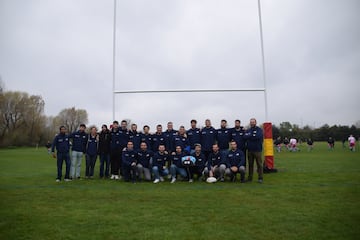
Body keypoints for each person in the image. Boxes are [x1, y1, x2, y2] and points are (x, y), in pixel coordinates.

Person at [244, 118, 264, 183]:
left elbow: (258, 136)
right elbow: (245, 137)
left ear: (256, 122)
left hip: (257, 150)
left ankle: (260, 178)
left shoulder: (259, 130)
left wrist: (250, 136)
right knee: (250, 165)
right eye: (251, 122)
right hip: (249, 150)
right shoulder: (248, 130)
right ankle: (250, 178)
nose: (252, 123)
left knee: (259, 165)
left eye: (253, 122)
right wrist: (252, 135)